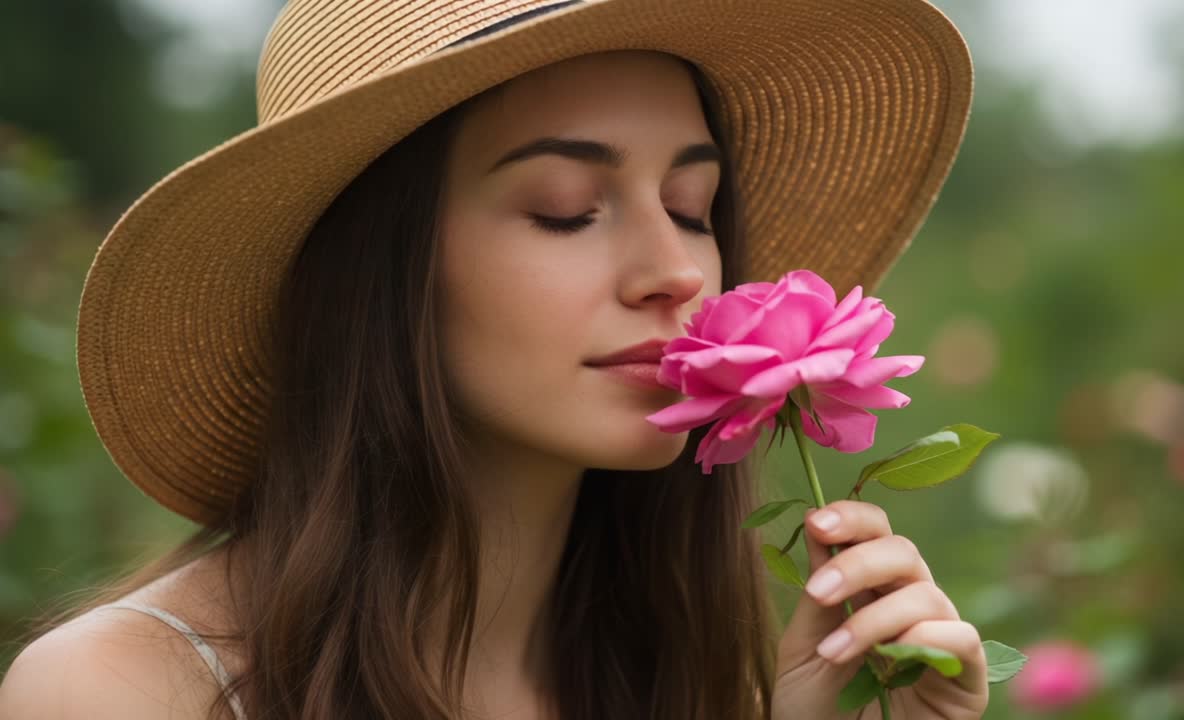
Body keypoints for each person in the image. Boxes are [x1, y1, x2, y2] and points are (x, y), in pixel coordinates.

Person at [0, 0, 986, 718]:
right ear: (383, 274)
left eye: (691, 211)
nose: (674, 271)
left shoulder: (697, 680)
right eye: (566, 208)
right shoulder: (126, 694)